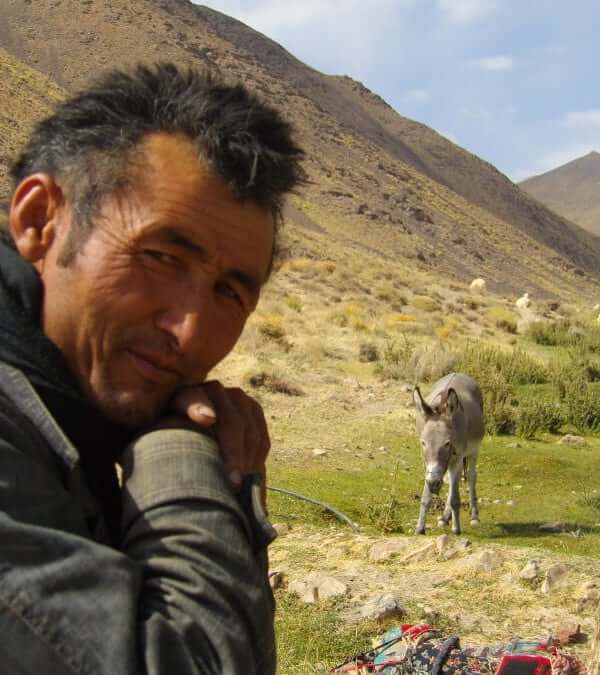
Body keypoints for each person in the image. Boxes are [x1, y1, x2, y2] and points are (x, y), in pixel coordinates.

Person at [0, 62, 305, 674]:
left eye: (229, 293)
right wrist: (182, 453)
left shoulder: (61, 407)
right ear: (40, 222)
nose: (189, 332)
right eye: (161, 256)